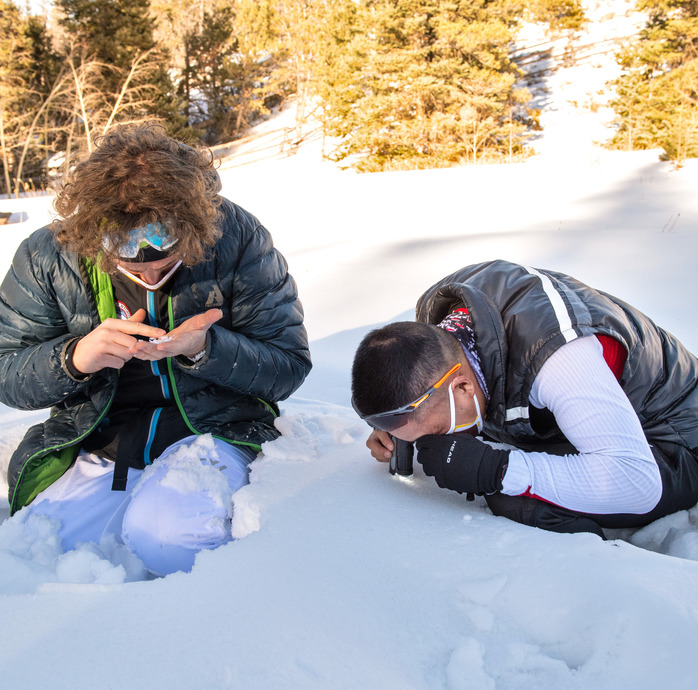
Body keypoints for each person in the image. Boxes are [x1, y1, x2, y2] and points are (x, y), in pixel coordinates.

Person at [0, 123, 311, 575]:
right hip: (97, 440)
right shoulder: (50, 255)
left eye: (164, 242)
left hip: (215, 431)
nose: (145, 264)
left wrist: (207, 349)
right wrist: (74, 359)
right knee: (42, 546)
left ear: (195, 222)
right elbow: (7, 372)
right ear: (91, 229)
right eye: (121, 245)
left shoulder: (236, 237)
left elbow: (288, 365)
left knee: (168, 537)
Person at [351, 260, 698, 538]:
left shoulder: (558, 360)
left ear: (463, 388)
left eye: (438, 432)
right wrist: (396, 425)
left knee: (511, 496)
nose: (433, 445)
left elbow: (637, 481)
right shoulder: (442, 333)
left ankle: (596, 573)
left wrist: (496, 468)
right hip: (603, 416)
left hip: (674, 439)